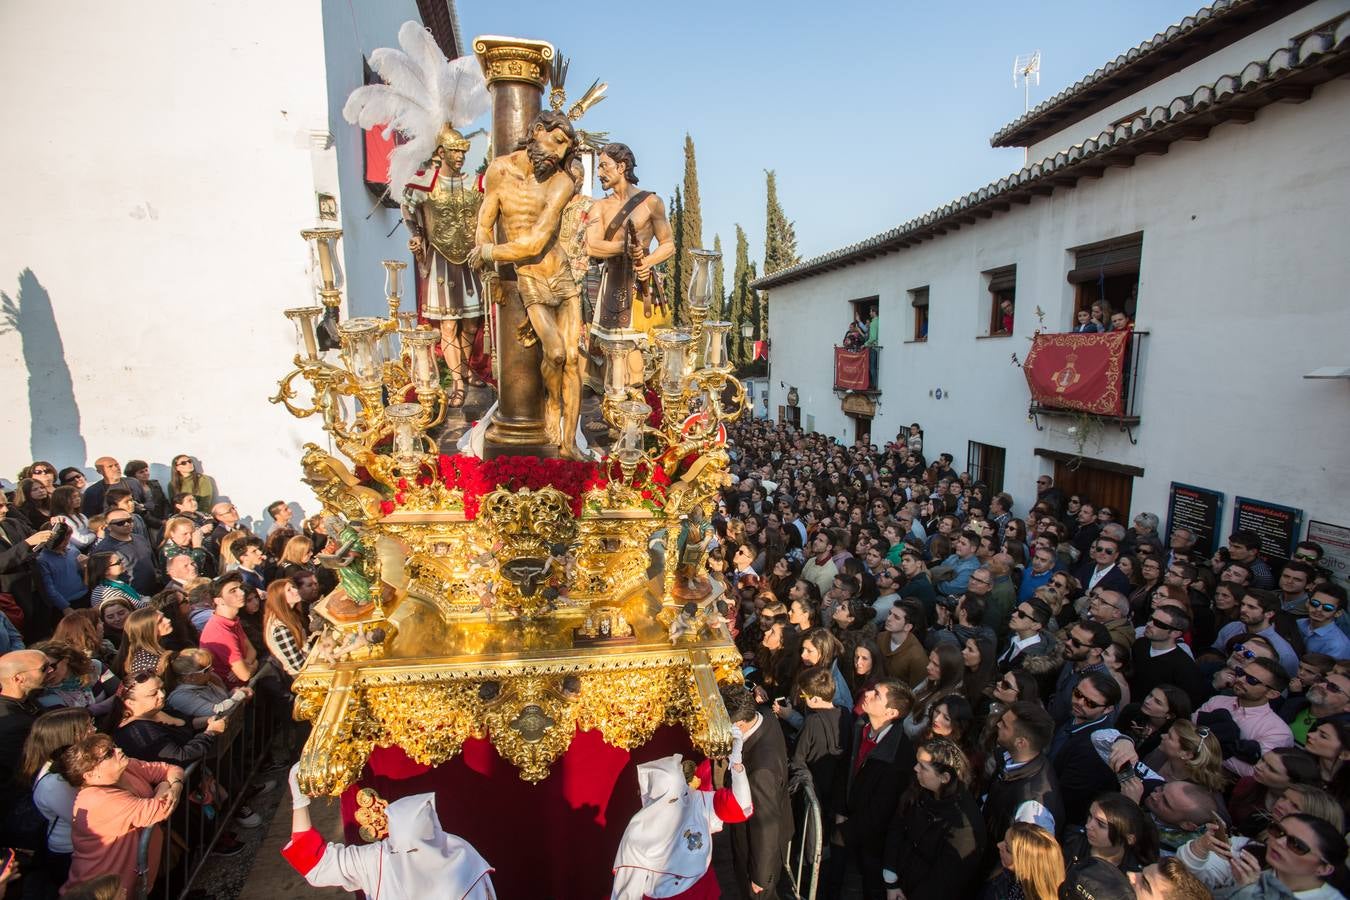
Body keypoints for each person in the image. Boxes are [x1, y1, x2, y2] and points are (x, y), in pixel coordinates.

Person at [470, 110, 585, 458]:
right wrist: (492, 272)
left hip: (560, 273)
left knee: (574, 358)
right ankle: (552, 407)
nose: (560, 154)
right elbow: (484, 223)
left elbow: (537, 242)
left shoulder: (561, 182)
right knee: (555, 352)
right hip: (529, 278)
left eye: (566, 149)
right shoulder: (499, 171)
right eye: (559, 142)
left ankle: (567, 444)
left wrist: (489, 253)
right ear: (537, 131)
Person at [585, 142, 675, 387]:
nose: (599, 172)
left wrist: (648, 261)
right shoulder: (599, 207)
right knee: (614, 355)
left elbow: (668, 244)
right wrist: (622, 248)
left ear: (621, 166)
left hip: (642, 287)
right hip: (611, 282)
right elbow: (591, 246)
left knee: (637, 355)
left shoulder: (652, 202)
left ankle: (636, 408)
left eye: (604, 166)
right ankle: (614, 410)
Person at [61, 733, 184, 897]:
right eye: (108, 754)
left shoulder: (125, 767)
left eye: (113, 746)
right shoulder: (97, 799)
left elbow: (170, 769)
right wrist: (164, 785)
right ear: (90, 774)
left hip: (136, 876)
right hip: (106, 890)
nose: (118, 750)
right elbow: (161, 809)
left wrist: (175, 785)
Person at [831, 679, 914, 900]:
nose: (867, 694)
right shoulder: (861, 726)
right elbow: (845, 770)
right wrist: (840, 811)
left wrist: (846, 831)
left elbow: (881, 810)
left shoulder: (898, 755)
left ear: (891, 712)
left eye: (876, 695)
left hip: (872, 844)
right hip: (847, 822)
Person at [881, 737, 986, 900]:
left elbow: (945, 881)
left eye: (923, 767)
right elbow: (898, 827)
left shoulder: (964, 826)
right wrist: (891, 880)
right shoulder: (920, 789)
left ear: (944, 778)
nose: (915, 768)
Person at [718, 683, 789, 899]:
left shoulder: (761, 772)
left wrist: (760, 875)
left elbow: (765, 826)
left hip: (756, 850)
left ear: (738, 724)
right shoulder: (764, 715)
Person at [20, 706, 94, 898]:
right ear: (69, 737)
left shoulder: (68, 768)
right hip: (70, 854)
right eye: (87, 727)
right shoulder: (55, 782)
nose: (94, 730)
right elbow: (83, 819)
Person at [1195, 657, 1294, 779]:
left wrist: (1207, 746)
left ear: (1272, 694)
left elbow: (1255, 771)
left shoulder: (1277, 732)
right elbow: (1188, 728)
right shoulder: (1217, 701)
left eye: (1252, 680)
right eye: (1241, 673)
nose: (1241, 679)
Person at [1050, 670, 1120, 825]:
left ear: (1108, 709)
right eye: (1077, 693)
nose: (1079, 702)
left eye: (1090, 703)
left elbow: (1068, 795)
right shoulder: (1075, 717)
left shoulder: (1094, 748)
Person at [1061, 792, 1159, 876]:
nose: (1088, 825)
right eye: (1090, 816)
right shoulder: (1072, 839)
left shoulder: (1134, 875)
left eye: (1101, 824)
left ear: (1129, 838)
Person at [1131, 604, 1207, 707]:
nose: (1149, 624)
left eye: (1158, 624)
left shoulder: (1185, 668)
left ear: (1175, 633)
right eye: (1151, 619)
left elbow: (1189, 703)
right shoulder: (1140, 644)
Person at [198, 573, 259, 688]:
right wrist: (255, 664)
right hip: (233, 692)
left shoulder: (232, 620)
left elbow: (252, 650)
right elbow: (245, 675)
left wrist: (246, 663)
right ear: (219, 601)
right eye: (233, 591)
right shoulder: (220, 632)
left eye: (240, 588)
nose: (241, 593)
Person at [986, 823, 1066, 900]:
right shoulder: (1005, 876)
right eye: (1003, 840)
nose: (999, 845)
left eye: (1007, 849)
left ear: (1027, 865)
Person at [878, 599, 929, 688]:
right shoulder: (880, 637)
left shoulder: (917, 657)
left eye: (896, 617)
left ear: (908, 627)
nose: (889, 618)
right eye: (890, 613)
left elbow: (915, 690)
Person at [1297, 584, 1350, 659]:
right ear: (1308, 603)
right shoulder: (1299, 623)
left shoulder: (1338, 645)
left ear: (1338, 613)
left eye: (1327, 608)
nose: (1318, 609)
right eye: (1315, 603)